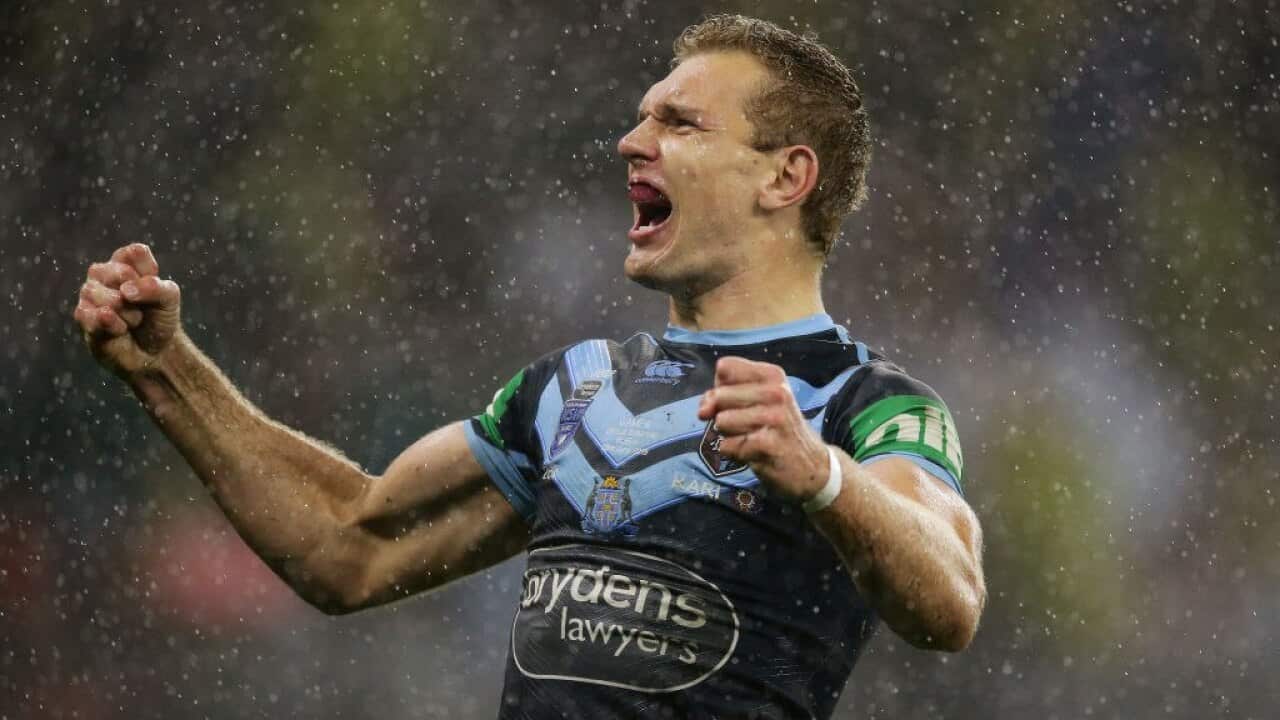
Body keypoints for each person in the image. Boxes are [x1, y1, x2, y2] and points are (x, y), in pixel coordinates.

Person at [73, 14, 985, 720]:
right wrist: (165, 371)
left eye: (679, 122)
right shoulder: (571, 389)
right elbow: (346, 547)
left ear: (785, 178)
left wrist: (821, 475)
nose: (632, 141)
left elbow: (951, 600)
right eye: (642, 116)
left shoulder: (862, 403)